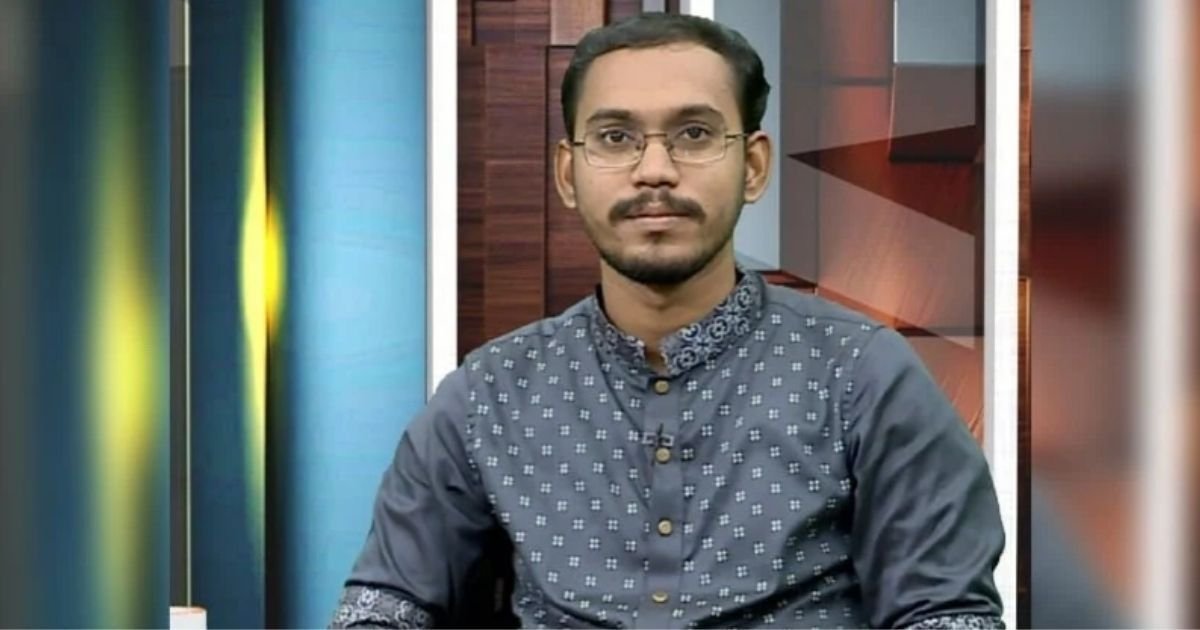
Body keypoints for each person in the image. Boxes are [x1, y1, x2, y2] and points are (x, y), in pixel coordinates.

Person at [331, 12, 1004, 629]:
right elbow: (383, 608)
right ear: (568, 173)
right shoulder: (490, 395)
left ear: (753, 167)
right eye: (615, 137)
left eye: (694, 135)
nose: (654, 170)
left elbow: (946, 615)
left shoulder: (861, 376)